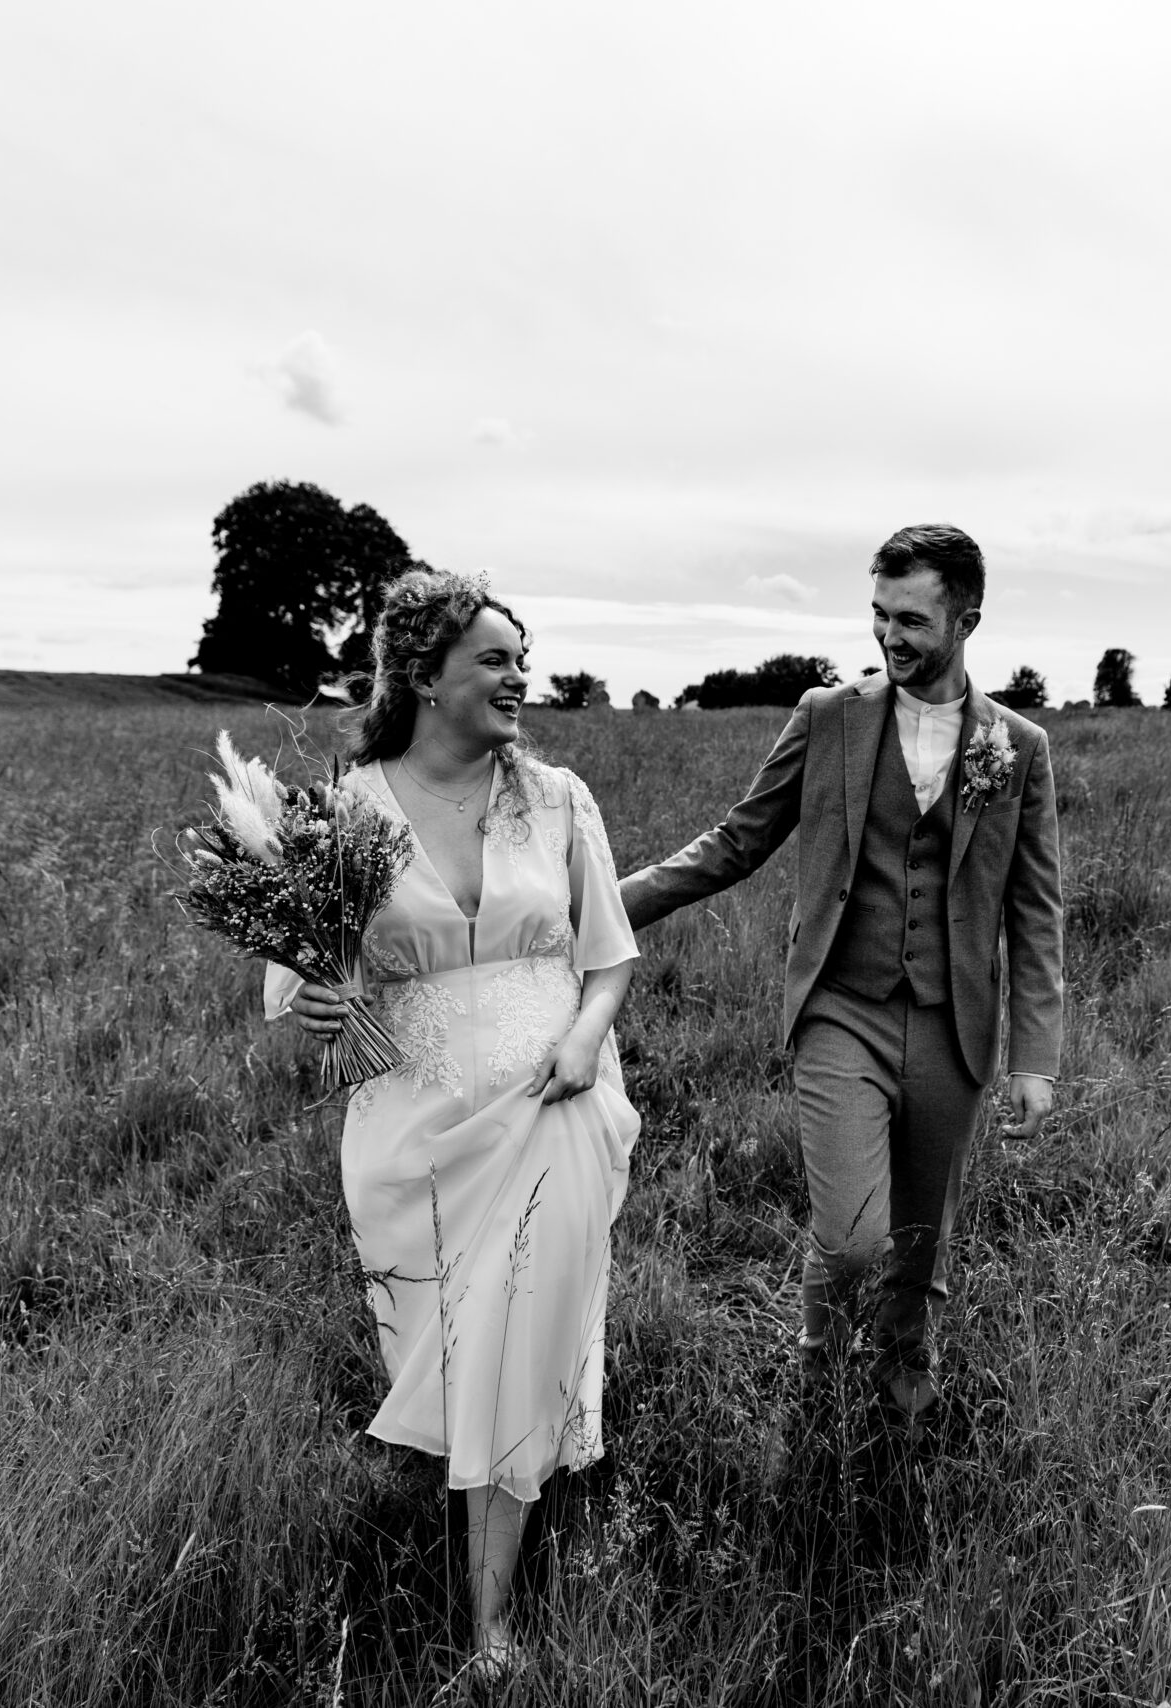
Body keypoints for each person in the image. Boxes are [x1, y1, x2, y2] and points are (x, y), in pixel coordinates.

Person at [273, 568, 638, 1686]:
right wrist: (320, 999)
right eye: (494, 659)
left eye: (523, 658)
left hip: (553, 1105)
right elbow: (291, 993)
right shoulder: (347, 810)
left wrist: (583, 1040)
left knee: (521, 1343)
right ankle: (468, 1539)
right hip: (418, 1124)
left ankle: (488, 1619)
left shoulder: (558, 796)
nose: (520, 677)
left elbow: (610, 954)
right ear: (425, 676)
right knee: (451, 1345)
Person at [620, 523, 1065, 1428]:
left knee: (920, 1241)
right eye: (878, 615)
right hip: (841, 1012)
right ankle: (817, 1372)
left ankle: (903, 1397)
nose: (888, 637)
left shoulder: (1018, 748)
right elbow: (738, 841)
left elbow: (1035, 909)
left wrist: (1037, 1058)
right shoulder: (829, 718)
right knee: (856, 1240)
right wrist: (603, 906)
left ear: (966, 621)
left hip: (954, 1025)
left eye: (910, 620)